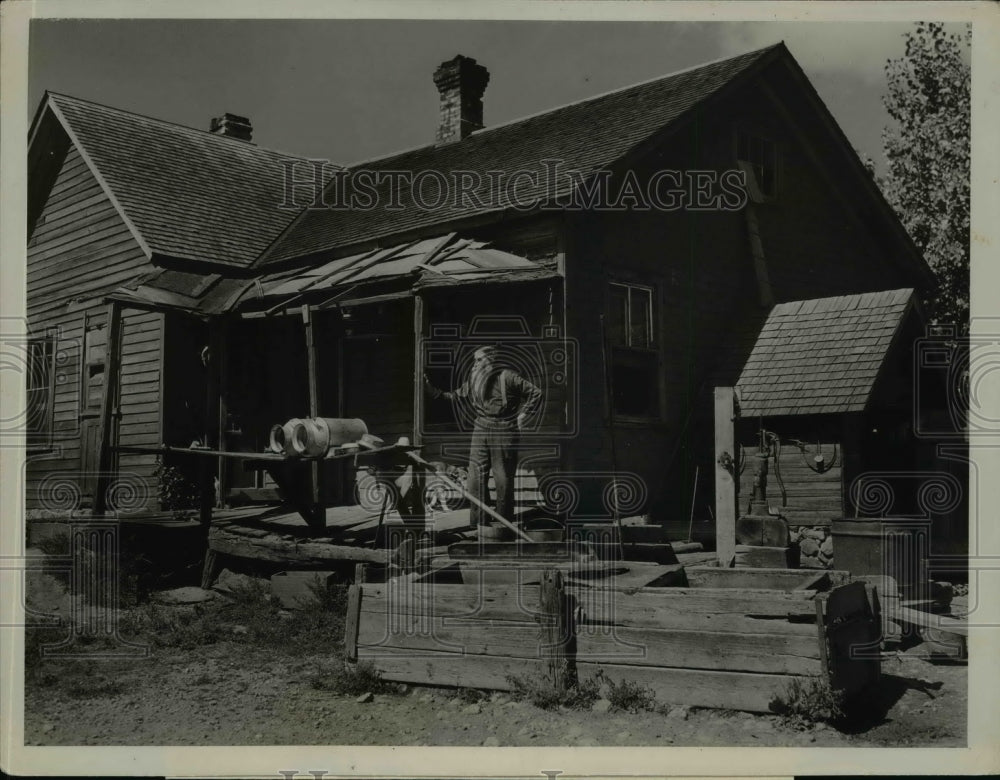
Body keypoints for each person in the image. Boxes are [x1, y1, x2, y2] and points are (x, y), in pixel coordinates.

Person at [425, 345, 541, 530]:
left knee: (502, 477)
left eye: (479, 360)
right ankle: (479, 523)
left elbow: (535, 393)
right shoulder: (474, 380)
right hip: (481, 428)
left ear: (491, 361)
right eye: (474, 360)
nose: (475, 364)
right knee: (474, 477)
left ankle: (503, 522)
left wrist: (523, 416)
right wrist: (430, 389)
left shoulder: (508, 377)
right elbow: (454, 397)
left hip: (504, 428)